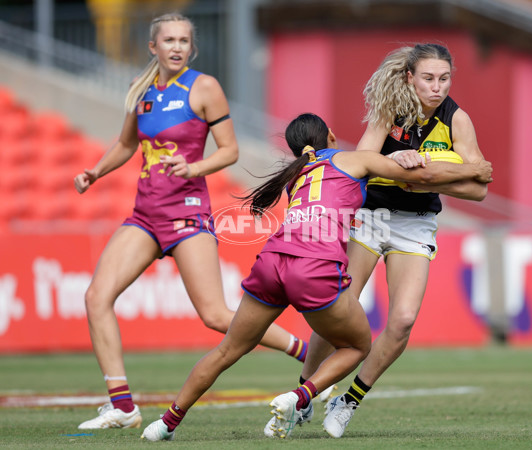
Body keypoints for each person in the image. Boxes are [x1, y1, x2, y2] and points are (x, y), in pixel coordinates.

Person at [139, 112, 492, 441]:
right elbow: (424, 177)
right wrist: (475, 168)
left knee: (227, 350)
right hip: (314, 267)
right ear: (332, 137)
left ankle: (165, 423)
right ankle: (301, 397)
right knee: (357, 346)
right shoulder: (355, 158)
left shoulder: (297, 174)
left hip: (271, 261)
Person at [73, 13, 308, 430]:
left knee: (217, 315)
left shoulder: (204, 88)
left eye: (184, 40)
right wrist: (95, 172)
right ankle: (123, 406)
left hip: (187, 215)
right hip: (145, 215)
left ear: (191, 47)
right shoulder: (139, 89)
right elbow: (127, 144)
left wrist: (195, 167)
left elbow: (230, 151)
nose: (177, 46)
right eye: (169, 40)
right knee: (96, 297)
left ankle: (307, 353)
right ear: (154, 47)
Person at [296, 43, 494, 438]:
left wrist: (427, 178)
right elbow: (361, 164)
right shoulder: (392, 109)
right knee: (341, 311)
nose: (437, 87)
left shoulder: (458, 120)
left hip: (417, 223)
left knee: (402, 321)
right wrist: (400, 161)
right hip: (373, 216)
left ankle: (347, 401)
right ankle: (301, 393)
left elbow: (479, 190)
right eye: (428, 78)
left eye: (444, 79)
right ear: (410, 77)